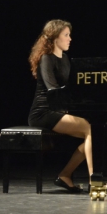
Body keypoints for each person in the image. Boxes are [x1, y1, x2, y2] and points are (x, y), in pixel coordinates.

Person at [28, 19, 93, 193]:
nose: (70, 39)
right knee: (88, 127)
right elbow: (53, 90)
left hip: (58, 110)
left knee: (93, 130)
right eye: (66, 35)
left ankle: (65, 175)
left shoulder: (65, 59)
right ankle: (94, 180)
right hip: (43, 113)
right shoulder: (46, 59)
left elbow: (72, 88)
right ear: (55, 37)